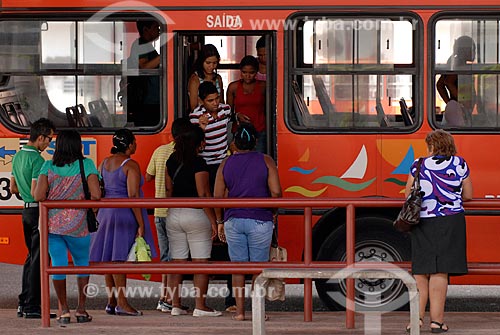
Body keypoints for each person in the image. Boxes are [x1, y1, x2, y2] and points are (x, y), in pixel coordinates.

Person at [404, 129, 472, 333]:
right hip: (451, 221)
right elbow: (468, 195)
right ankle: (437, 321)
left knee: (421, 270)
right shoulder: (459, 164)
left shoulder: (419, 164)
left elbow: (408, 193)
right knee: (440, 270)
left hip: (422, 221)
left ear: (432, 146)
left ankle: (416, 320)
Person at [214, 123, 282, 321]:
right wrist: (274, 211)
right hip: (261, 220)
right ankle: (258, 312)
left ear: (234, 143)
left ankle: (241, 312)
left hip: (233, 220)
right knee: (258, 269)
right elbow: (276, 192)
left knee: (238, 267)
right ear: (255, 142)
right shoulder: (266, 160)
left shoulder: (225, 164)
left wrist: (220, 220)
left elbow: (217, 196)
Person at [34, 130, 101, 324]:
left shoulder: (48, 165)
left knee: (58, 265)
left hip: (52, 226)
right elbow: (96, 194)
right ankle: (81, 309)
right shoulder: (86, 164)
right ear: (77, 145)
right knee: (82, 263)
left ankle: (63, 309)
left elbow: (39, 196)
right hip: (78, 225)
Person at [89, 129, 157, 316]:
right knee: (118, 258)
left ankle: (111, 301)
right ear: (128, 145)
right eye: (134, 142)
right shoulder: (130, 165)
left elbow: (99, 188)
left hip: (105, 213)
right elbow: (133, 195)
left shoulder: (104, 162)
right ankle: (122, 303)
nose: (136, 144)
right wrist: (141, 222)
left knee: (109, 259)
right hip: (123, 214)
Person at [164, 123, 221, 317]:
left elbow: (168, 190)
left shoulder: (171, 160)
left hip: (173, 214)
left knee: (177, 261)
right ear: (197, 143)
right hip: (196, 215)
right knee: (200, 262)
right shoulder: (199, 163)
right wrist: (213, 220)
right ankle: (200, 306)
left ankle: (176, 305)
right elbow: (203, 193)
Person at [189, 81, 236, 310]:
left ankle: (221, 225)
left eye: (217, 98)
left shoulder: (226, 110)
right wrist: (201, 127)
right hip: (206, 166)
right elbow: (196, 142)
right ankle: (214, 225)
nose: (216, 103)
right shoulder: (195, 117)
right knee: (208, 197)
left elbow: (232, 124)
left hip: (223, 162)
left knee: (223, 200)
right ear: (201, 102)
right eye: (210, 101)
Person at [10, 118, 56, 319]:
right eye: (49, 139)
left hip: (25, 211)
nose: (49, 143)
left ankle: (24, 302)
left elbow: (13, 188)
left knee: (31, 257)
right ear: (40, 137)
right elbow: (35, 191)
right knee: (39, 259)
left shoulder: (18, 156)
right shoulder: (39, 161)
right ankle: (33, 306)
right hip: (37, 211)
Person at [145, 117, 191, 313]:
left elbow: (148, 176)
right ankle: (172, 300)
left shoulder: (159, 151)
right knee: (176, 258)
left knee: (166, 258)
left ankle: (163, 298)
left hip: (158, 211)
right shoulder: (183, 153)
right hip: (174, 212)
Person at [227, 55, 267, 153]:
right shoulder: (233, 87)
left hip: (260, 130)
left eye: (251, 72)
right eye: (244, 72)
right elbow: (227, 112)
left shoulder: (264, 86)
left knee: (258, 160)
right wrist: (237, 115)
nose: (247, 76)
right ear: (240, 71)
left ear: (257, 71)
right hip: (239, 130)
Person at [125, 20, 161, 126]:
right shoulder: (140, 44)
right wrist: (165, 54)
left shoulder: (148, 46)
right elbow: (144, 67)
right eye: (156, 28)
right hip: (146, 101)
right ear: (146, 29)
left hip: (151, 100)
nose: (159, 30)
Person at [436, 36, 476, 127]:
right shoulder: (458, 63)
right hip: (460, 109)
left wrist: (449, 103)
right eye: (472, 49)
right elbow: (448, 82)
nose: (474, 52)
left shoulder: (456, 61)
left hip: (457, 107)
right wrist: (462, 101)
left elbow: (440, 84)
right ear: (465, 50)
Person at [188, 44, 224, 111]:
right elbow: (193, 107)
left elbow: (221, 102)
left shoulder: (218, 78)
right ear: (201, 61)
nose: (211, 66)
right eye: (208, 63)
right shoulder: (195, 79)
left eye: (215, 63)